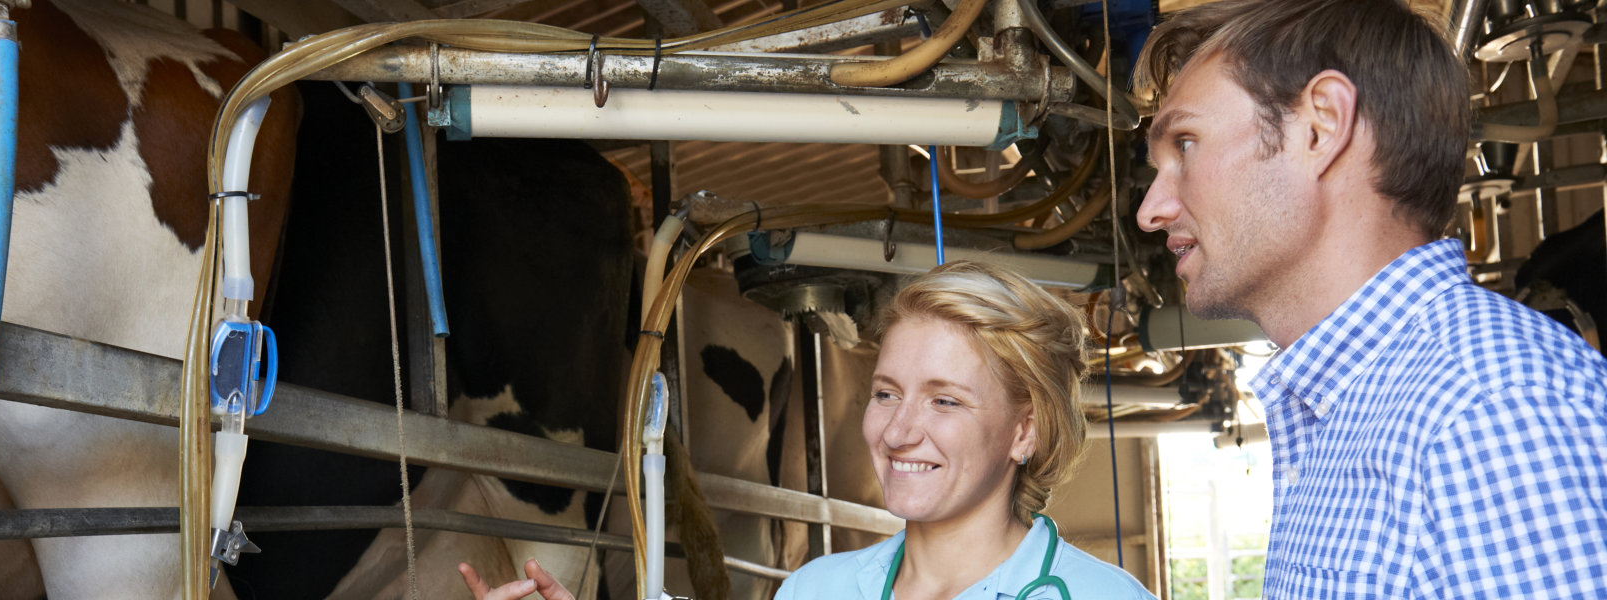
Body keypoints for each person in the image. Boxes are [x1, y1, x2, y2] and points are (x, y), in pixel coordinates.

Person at [1135, 0, 1607, 597]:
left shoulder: (1487, 411)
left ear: (1321, 126)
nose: (1151, 210)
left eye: (1184, 144)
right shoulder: (1360, 409)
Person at [459, 261, 1156, 599]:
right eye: (887, 393)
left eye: (946, 401)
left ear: (1025, 433)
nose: (900, 431)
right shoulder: (818, 590)